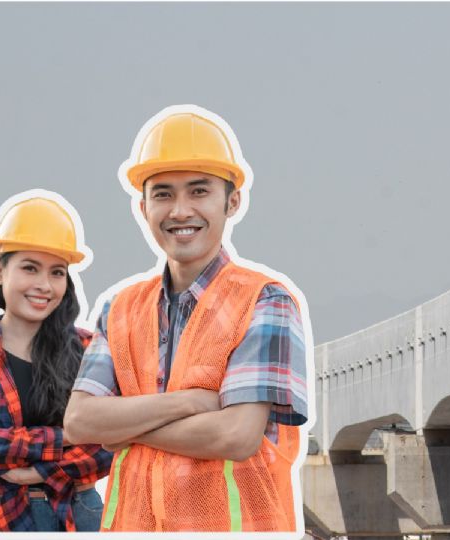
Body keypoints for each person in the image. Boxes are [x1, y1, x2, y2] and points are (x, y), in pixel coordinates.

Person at [63, 106, 309, 533]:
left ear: (231, 201)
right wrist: (189, 403)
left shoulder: (265, 302)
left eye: (198, 191)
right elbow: (80, 422)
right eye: (163, 193)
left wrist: (123, 429)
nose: (179, 211)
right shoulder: (117, 308)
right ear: (142, 207)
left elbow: (235, 436)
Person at [0, 195, 112, 532]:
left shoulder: (90, 349)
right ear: (0, 272)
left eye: (57, 272)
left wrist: (29, 471)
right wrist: (66, 437)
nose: (44, 285)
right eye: (30, 267)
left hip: (80, 514)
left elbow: (113, 444)